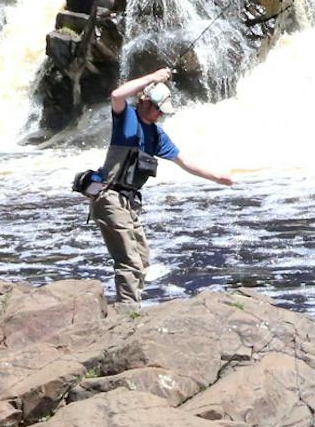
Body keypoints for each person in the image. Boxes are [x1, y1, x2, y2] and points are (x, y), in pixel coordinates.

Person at [87, 66, 233, 302]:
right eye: (158, 110)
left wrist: (217, 178)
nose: (160, 115)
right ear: (145, 101)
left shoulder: (157, 135)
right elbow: (117, 94)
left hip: (129, 203)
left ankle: (130, 308)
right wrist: (153, 77)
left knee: (142, 259)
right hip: (110, 197)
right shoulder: (126, 117)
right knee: (129, 262)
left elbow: (185, 162)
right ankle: (127, 311)